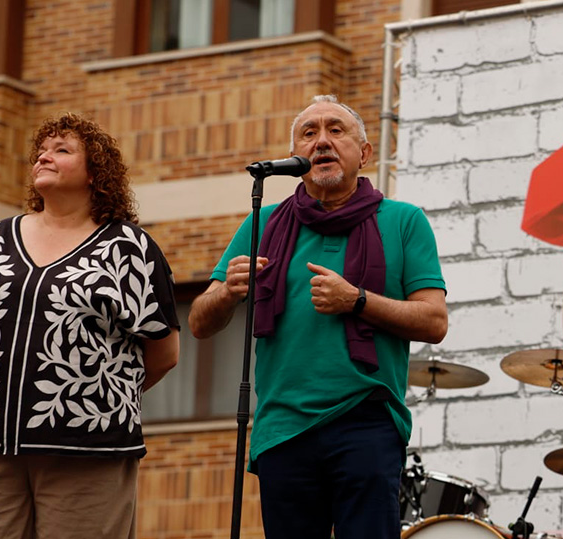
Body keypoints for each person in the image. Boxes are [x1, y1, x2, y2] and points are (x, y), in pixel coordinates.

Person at [188, 95, 448, 539]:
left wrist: (357, 300)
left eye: (336, 130)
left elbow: (434, 321)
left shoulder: (403, 220)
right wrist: (229, 292)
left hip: (367, 420)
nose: (322, 141)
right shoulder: (262, 222)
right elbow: (199, 322)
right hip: (282, 428)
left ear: (363, 153)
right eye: (309, 133)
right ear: (295, 157)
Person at [0, 112, 181, 538]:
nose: (43, 157)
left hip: (86, 448)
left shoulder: (128, 246)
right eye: (41, 151)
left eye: (62, 150)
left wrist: (90, 394)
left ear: (95, 173)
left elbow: (165, 353)